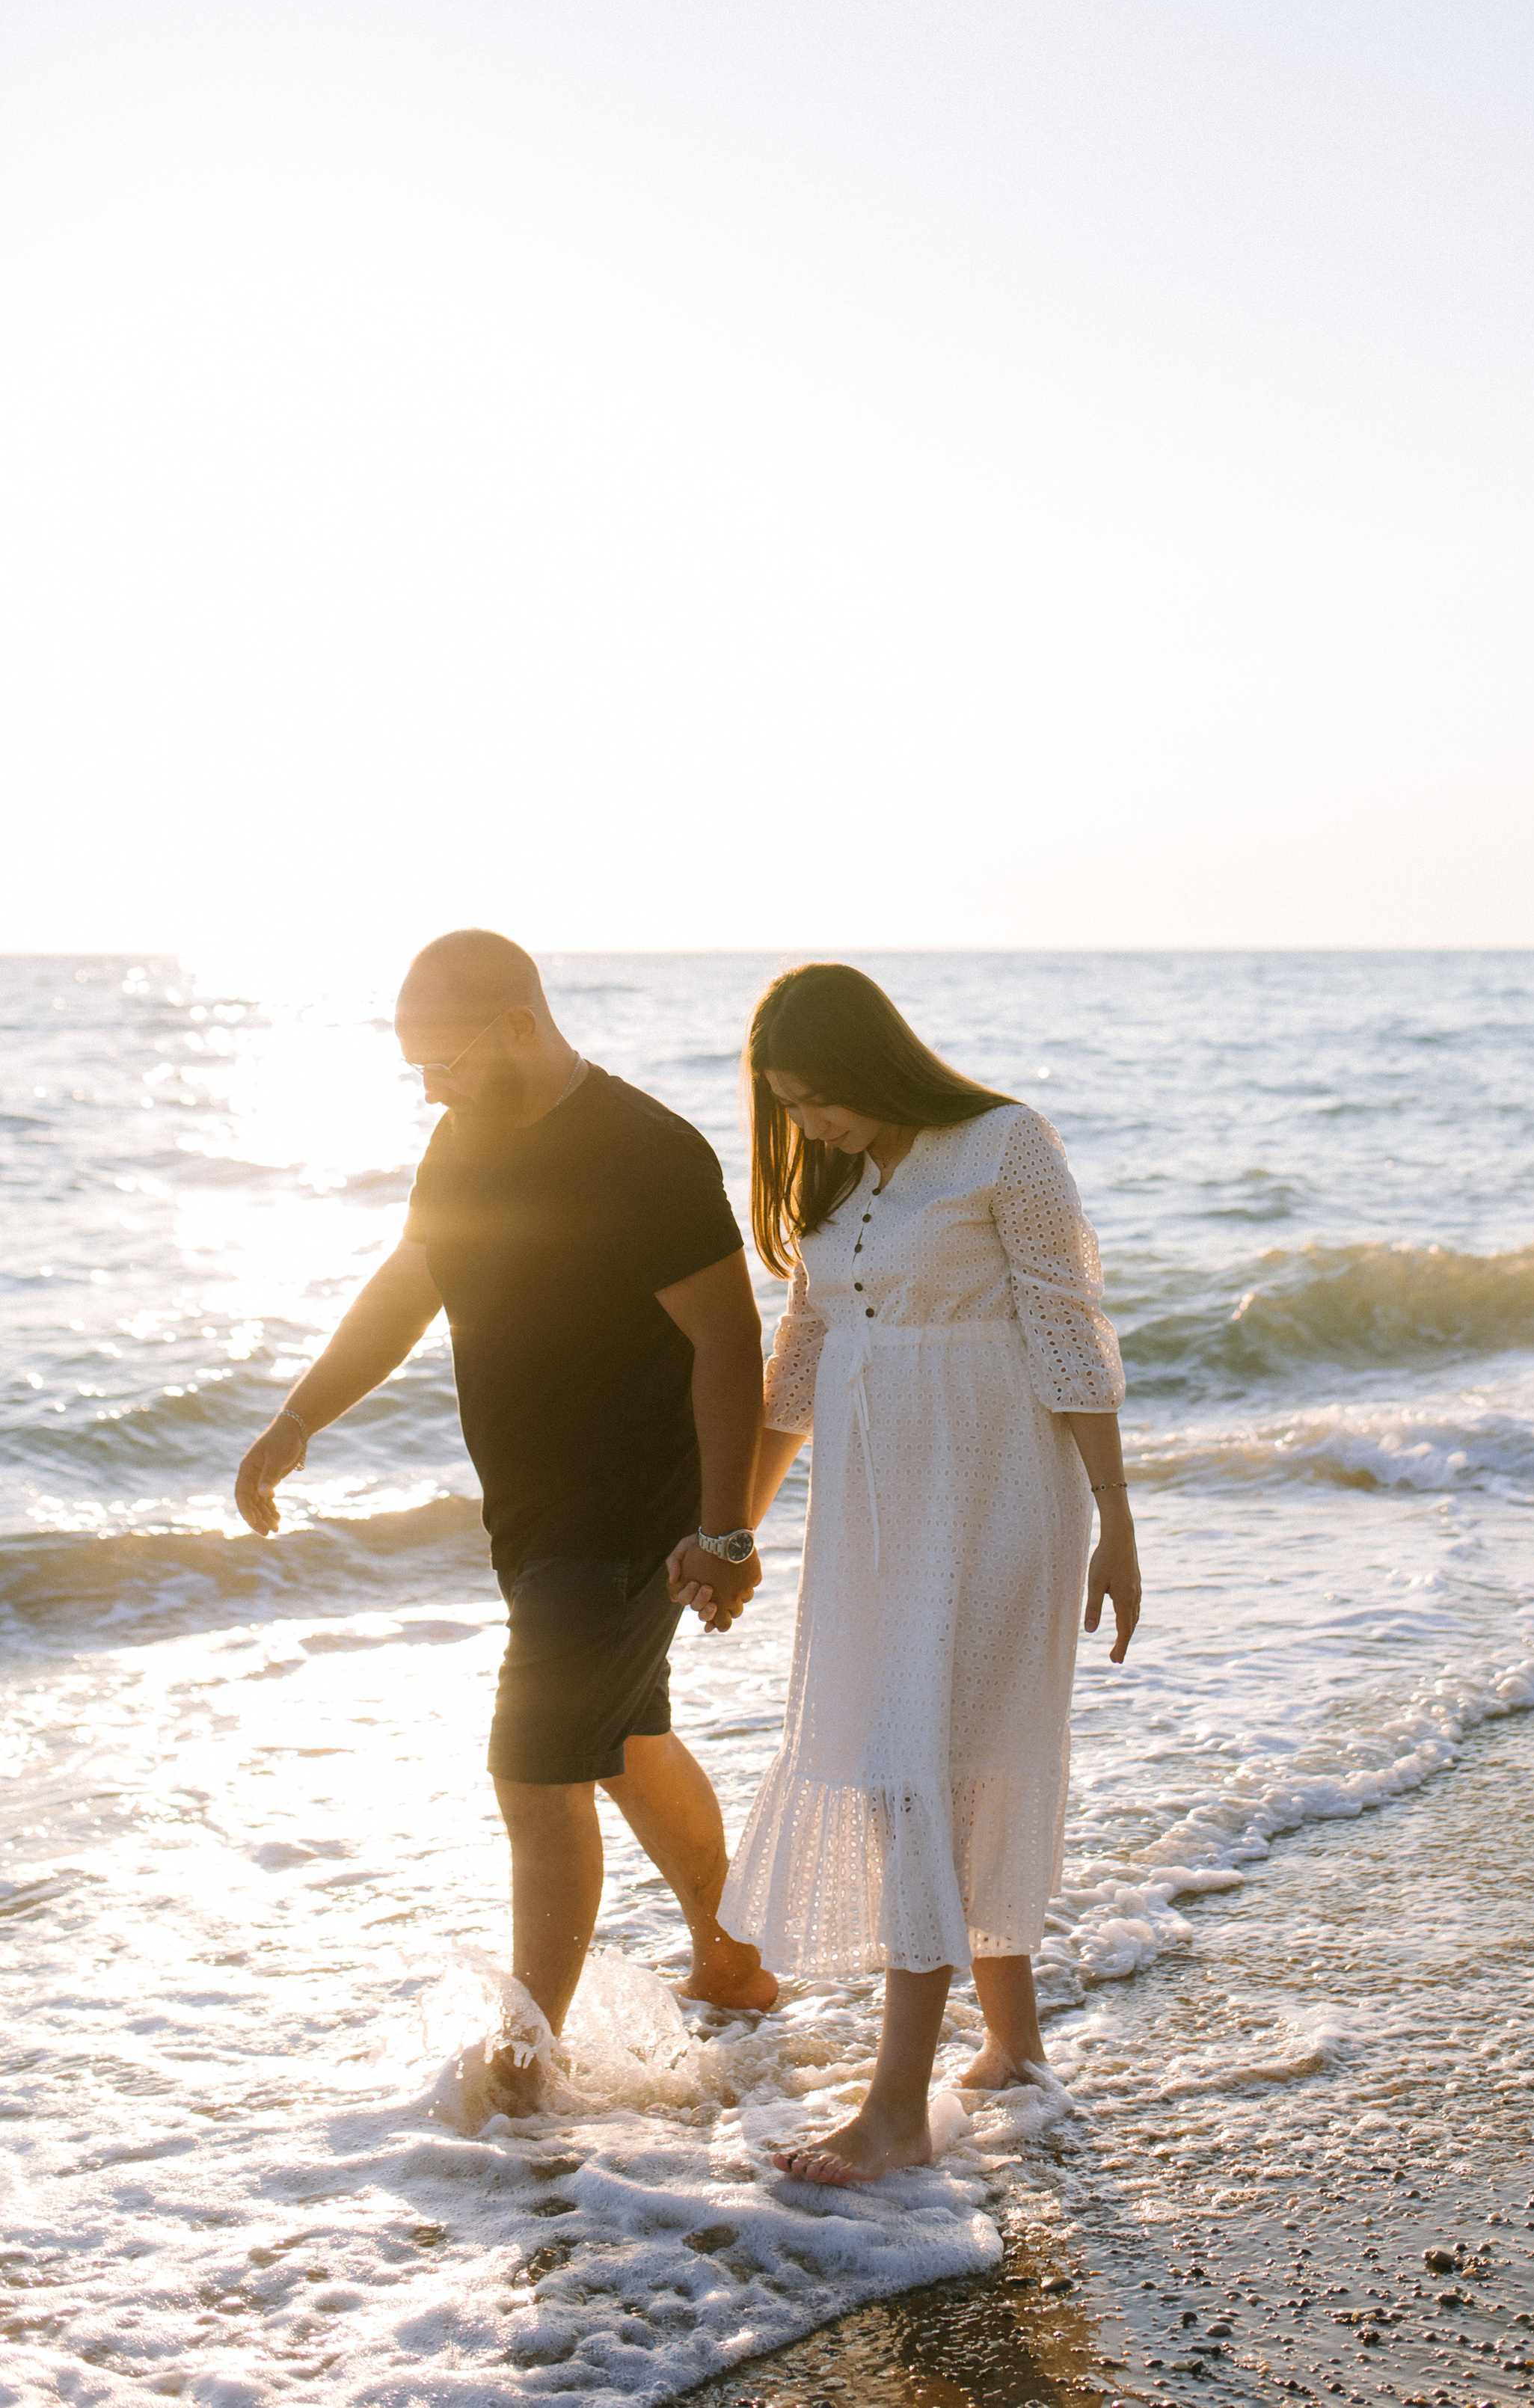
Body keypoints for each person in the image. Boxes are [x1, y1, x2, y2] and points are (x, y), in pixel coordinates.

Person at [232, 929, 776, 2103]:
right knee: (625, 1741)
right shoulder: (463, 1138)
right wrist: (297, 1417)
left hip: (631, 1516)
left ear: (518, 1025)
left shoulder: (647, 1151)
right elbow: (409, 1281)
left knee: (532, 1767)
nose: (430, 1086)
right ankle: (730, 1961)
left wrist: (726, 1530)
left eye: (444, 1059)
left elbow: (731, 1342)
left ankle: (528, 2058)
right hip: (531, 1519)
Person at [672, 962, 1141, 2186]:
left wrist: (1118, 1519)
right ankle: (1015, 2045)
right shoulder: (833, 1176)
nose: (810, 1122)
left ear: (876, 1064)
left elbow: (1068, 1331)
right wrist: (734, 1530)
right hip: (873, 1509)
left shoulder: (1003, 1144)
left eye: (822, 1095)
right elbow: (804, 1354)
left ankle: (895, 2109)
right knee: (923, 1762)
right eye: (788, 1104)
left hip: (994, 1493)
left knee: (919, 1767)